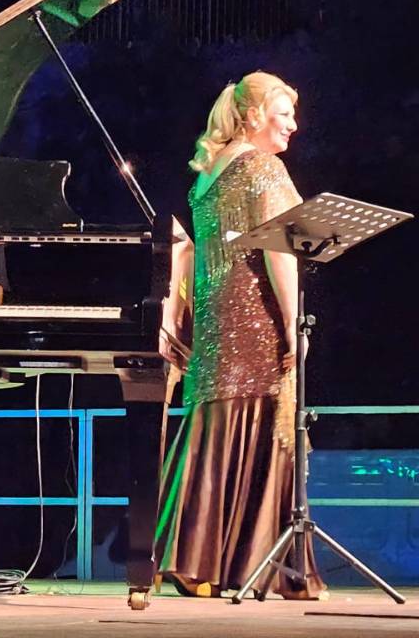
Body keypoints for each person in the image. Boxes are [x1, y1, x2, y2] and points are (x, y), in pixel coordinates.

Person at [155, 71, 325, 599]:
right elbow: (281, 252)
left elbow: (190, 253)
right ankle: (256, 566)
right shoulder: (263, 167)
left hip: (214, 325)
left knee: (216, 429)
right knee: (267, 425)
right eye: (284, 114)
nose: (293, 126)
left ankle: (198, 562)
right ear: (253, 117)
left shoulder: (207, 177)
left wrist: (176, 316)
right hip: (253, 321)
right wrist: (296, 329)